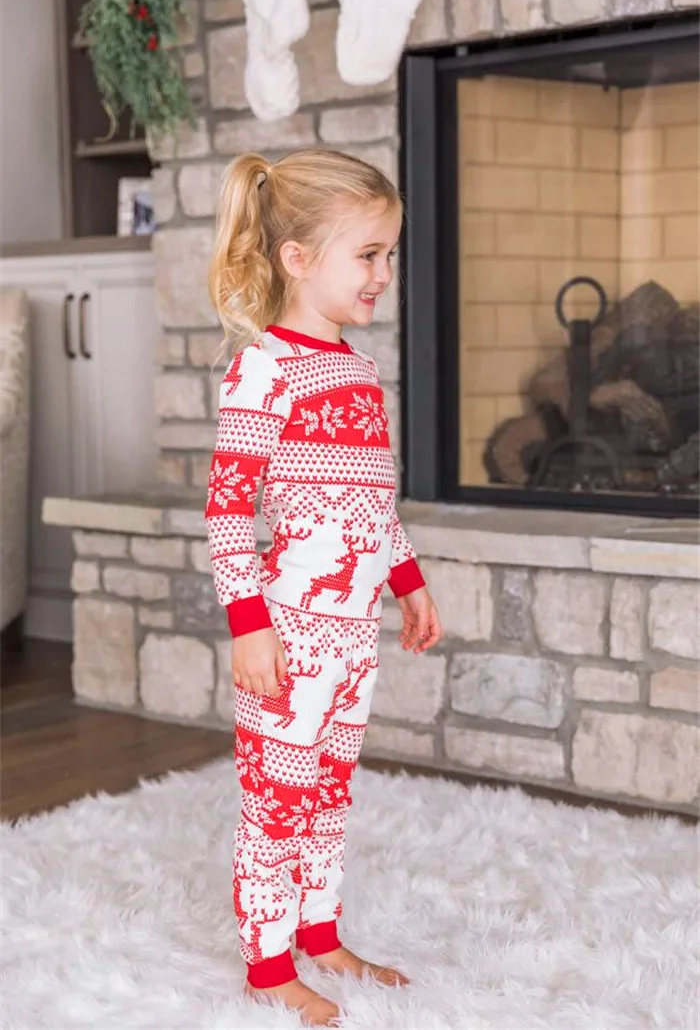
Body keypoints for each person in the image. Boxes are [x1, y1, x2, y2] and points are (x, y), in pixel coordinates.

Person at [205, 147, 443, 1027]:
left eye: (389, 254)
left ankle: (320, 932)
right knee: (278, 800)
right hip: (292, 634)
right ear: (298, 258)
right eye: (368, 254)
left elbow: (373, 501)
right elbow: (227, 509)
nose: (384, 273)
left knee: (330, 790)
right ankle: (268, 967)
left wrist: (409, 583)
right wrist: (249, 624)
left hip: (353, 635)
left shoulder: (358, 371)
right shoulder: (263, 368)